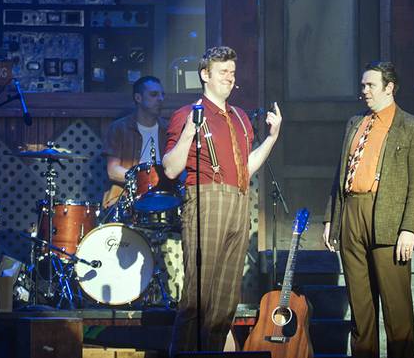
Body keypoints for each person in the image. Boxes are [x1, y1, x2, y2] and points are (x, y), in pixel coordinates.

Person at [162, 46, 282, 353]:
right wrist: (189, 132)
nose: (229, 78)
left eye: (232, 72)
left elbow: (247, 168)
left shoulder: (240, 117)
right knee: (198, 297)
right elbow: (171, 168)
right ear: (205, 75)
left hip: (238, 201)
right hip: (206, 200)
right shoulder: (186, 115)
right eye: (223, 72)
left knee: (226, 300)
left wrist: (271, 138)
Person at [320, 61, 414, 358]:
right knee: (361, 311)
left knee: (397, 312)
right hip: (351, 215)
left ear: (389, 87)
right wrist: (331, 217)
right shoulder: (354, 123)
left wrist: (410, 228)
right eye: (363, 85)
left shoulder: (413, 127)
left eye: (370, 85)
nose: (364, 91)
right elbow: (339, 173)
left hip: (388, 220)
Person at [102, 74, 168, 211]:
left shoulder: (168, 129)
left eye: (162, 95)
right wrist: (143, 180)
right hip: (126, 198)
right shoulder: (119, 128)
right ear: (138, 98)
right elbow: (112, 170)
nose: (160, 99)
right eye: (154, 95)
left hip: (163, 197)